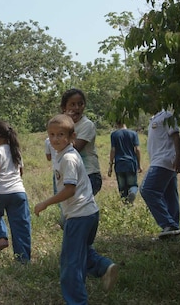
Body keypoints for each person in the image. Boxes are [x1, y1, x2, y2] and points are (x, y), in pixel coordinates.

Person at [34, 114, 119, 303]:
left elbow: (70, 190)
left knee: (70, 264)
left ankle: (77, 301)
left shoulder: (68, 159)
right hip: (88, 214)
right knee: (81, 252)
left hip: (79, 216)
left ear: (72, 136)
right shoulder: (63, 154)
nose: (55, 139)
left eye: (61, 134)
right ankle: (104, 267)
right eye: (52, 134)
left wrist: (45, 203)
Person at [0, 121, 32, 263]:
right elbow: (20, 172)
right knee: (21, 226)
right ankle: (23, 260)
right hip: (18, 192)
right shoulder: (16, 151)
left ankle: (1, 236)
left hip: (1, 192)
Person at [141, 109, 180, 239]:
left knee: (147, 190)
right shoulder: (154, 118)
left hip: (163, 160)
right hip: (160, 161)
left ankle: (168, 224)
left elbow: (176, 136)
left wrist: (179, 157)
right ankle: (173, 230)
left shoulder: (167, 116)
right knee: (170, 195)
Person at [61, 89, 102, 195]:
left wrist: (67, 123)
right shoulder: (60, 125)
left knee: (83, 209)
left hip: (89, 174)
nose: (77, 108)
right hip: (72, 174)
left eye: (80, 104)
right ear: (64, 108)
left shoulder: (87, 125)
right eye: (72, 104)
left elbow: (74, 148)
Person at [109, 119, 142, 203]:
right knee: (133, 185)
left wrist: (110, 166)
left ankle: (125, 206)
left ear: (116, 124)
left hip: (119, 164)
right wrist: (139, 164)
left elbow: (113, 150)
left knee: (122, 188)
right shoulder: (133, 134)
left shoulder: (114, 135)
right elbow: (137, 149)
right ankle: (132, 193)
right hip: (131, 163)